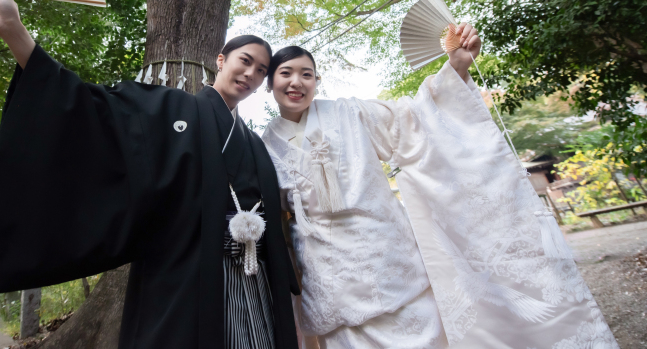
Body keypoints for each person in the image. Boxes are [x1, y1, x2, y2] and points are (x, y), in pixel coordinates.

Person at [0, 0, 300, 349]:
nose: (251, 74)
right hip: (186, 271)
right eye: (245, 61)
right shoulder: (170, 109)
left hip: (253, 276)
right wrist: (12, 30)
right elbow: (88, 109)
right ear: (221, 60)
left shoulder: (253, 141)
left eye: (261, 71)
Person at [261, 25, 618, 349]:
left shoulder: (352, 113)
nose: (297, 82)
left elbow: (415, 120)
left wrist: (457, 67)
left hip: (389, 260)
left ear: (317, 81)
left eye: (306, 74)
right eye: (286, 74)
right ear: (270, 84)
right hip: (328, 278)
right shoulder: (264, 145)